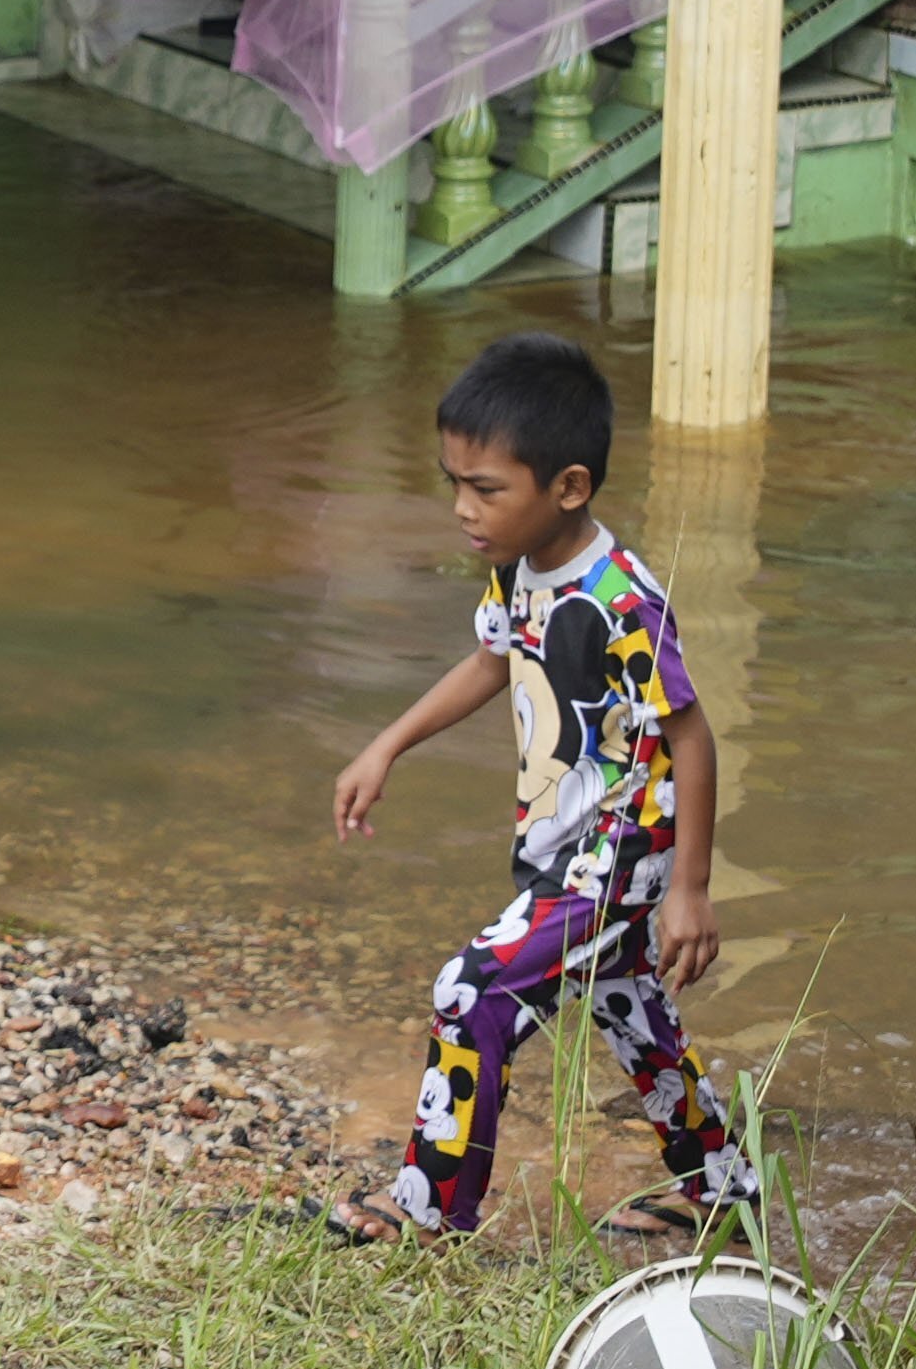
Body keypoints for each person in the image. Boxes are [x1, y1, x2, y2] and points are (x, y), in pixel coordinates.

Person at [323, 329, 761, 1247]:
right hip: (566, 844)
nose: (462, 508)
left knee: (470, 989)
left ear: (568, 487)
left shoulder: (620, 598)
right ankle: (723, 1190)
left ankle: (429, 1214)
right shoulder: (519, 565)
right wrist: (387, 745)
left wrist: (690, 889)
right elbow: (494, 658)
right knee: (631, 1011)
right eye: (454, 482)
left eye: (486, 488)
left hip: (622, 849)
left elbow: (691, 733)